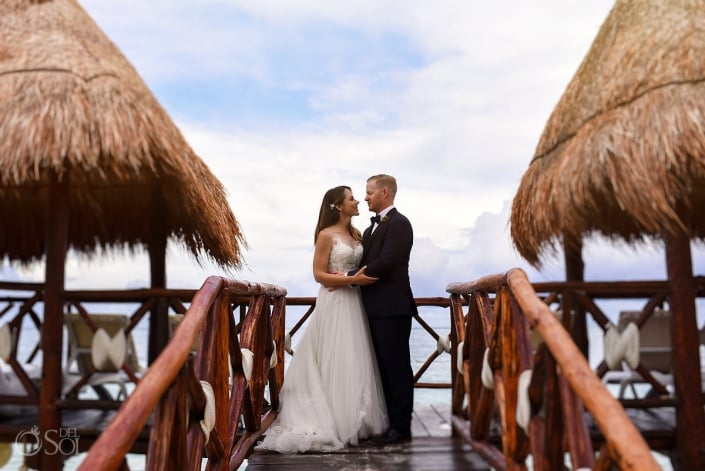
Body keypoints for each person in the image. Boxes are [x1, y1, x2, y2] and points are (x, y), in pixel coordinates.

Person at [257, 185, 388, 453]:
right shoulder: (326, 235)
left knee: (354, 357)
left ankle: (354, 418)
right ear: (338, 206)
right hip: (335, 301)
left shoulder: (357, 234)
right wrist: (351, 280)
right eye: (351, 198)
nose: (357, 201)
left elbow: (360, 268)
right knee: (334, 355)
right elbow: (318, 274)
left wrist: (353, 279)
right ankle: (332, 420)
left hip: (355, 302)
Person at [350, 174, 416, 445]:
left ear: (385, 193)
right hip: (372, 309)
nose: (365, 197)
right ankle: (388, 421)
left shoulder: (400, 224)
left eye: (369, 193)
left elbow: (389, 261)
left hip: (392, 308)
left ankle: (401, 428)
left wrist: (349, 276)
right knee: (381, 369)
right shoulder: (369, 230)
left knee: (397, 368)